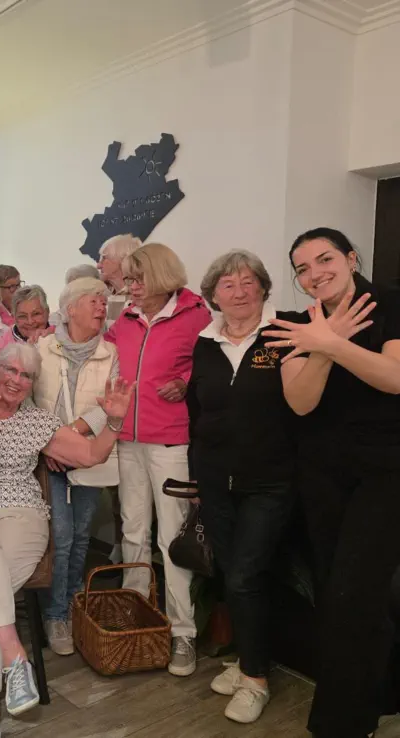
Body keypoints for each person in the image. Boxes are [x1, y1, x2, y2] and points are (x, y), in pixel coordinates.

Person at [0, 342, 133, 738]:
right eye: (10, 370)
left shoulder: (37, 421)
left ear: (33, 383)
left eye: (27, 375)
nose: (17, 380)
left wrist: (114, 422)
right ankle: (15, 658)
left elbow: (91, 455)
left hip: (21, 516)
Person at [262, 227, 400, 738]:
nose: (315, 273)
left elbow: (395, 377)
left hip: (385, 473)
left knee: (353, 595)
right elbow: (301, 402)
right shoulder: (294, 324)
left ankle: (343, 724)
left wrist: (331, 344)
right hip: (322, 475)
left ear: (351, 258)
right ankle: (382, 694)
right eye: (302, 268)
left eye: (325, 259)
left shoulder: (390, 304)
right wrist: (322, 345)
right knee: (339, 593)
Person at [187, 251, 297, 723]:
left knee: (246, 575)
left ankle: (255, 679)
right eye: (228, 284)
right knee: (232, 572)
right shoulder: (206, 342)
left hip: (270, 481)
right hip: (215, 479)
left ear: (264, 287)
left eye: (248, 281)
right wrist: (197, 474)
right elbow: (197, 410)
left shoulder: (287, 332)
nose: (239, 291)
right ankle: (250, 659)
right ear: (214, 295)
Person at [105, 242, 211, 677]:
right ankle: (135, 615)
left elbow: (211, 364)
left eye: (138, 279)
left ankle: (183, 632)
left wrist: (185, 380)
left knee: (172, 537)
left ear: (162, 277)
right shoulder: (125, 318)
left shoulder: (196, 314)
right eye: (128, 279)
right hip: (127, 440)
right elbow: (105, 359)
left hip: (170, 442)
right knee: (132, 530)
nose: (130, 287)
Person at [32, 277, 119, 656]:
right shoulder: (42, 348)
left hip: (88, 454)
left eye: (103, 300)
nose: (101, 306)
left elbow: (110, 404)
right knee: (60, 537)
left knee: (82, 535)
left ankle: (72, 604)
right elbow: (27, 397)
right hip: (48, 457)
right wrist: (51, 443)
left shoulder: (111, 353)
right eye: (92, 300)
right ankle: (54, 613)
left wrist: (71, 436)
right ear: (70, 309)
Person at [0, 285, 54, 363]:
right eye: (22, 316)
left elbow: (62, 349)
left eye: (36, 314)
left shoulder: (60, 337)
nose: (30, 322)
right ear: (14, 318)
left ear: (47, 312)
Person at [98, 234, 141, 324]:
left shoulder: (140, 299)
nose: (98, 265)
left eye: (104, 258)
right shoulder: (102, 298)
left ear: (123, 261)